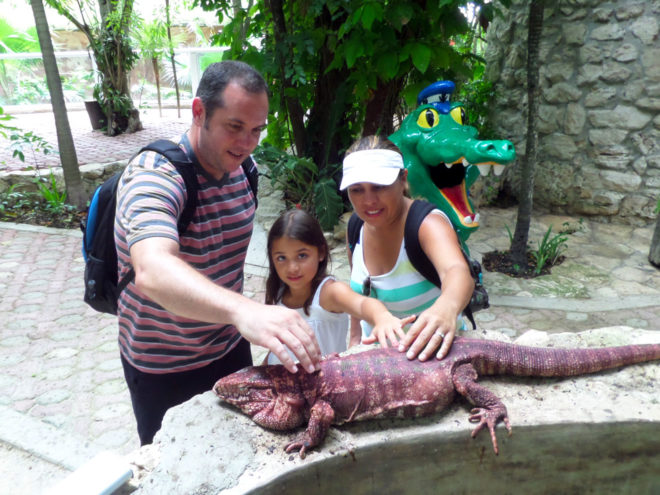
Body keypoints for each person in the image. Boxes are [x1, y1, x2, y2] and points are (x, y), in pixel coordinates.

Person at [114, 61, 321, 445]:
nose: (247, 143)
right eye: (235, 126)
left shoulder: (246, 171)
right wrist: (244, 310)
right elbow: (152, 268)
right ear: (199, 112)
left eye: (257, 130)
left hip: (228, 349)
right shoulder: (154, 175)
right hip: (162, 365)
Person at [340, 135, 474, 362]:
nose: (368, 200)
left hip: (433, 358)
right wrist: (354, 340)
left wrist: (446, 308)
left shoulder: (427, 225)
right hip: (377, 361)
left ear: (403, 179)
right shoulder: (356, 227)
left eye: (379, 186)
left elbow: (456, 270)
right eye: (357, 190)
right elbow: (358, 292)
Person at [264, 209, 413, 364]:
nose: (292, 267)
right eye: (282, 258)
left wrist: (381, 317)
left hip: (322, 384)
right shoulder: (279, 292)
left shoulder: (329, 293)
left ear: (321, 252)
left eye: (302, 256)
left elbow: (361, 304)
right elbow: (277, 345)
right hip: (279, 383)